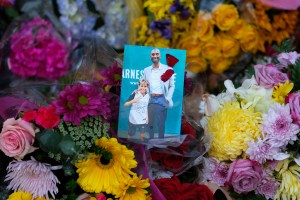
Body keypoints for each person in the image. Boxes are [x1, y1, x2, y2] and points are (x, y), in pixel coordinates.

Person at [143, 48, 175, 139]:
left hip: (162, 98)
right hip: (151, 99)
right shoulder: (146, 70)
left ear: (160, 56)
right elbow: (145, 84)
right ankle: (151, 139)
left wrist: (168, 98)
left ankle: (161, 140)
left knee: (161, 122)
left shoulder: (168, 69)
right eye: (153, 54)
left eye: (157, 54)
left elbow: (172, 86)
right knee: (150, 122)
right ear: (150, 57)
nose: (155, 56)